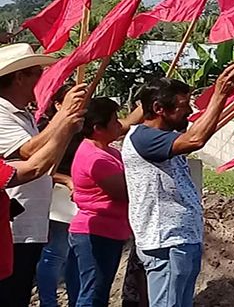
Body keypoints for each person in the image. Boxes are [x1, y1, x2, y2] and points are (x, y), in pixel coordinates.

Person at [121, 65, 234, 307]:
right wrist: (219, 96)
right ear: (158, 109)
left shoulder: (163, 137)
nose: (190, 112)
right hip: (167, 242)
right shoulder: (144, 138)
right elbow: (195, 139)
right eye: (184, 107)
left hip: (180, 240)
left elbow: (194, 135)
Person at [0, 43, 87, 307]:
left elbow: (43, 160)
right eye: (37, 72)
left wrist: (66, 126)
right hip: (13, 227)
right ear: (19, 77)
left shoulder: (23, 113)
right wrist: (64, 118)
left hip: (29, 222)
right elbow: (28, 155)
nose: (42, 79)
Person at [69, 97, 142, 307]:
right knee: (93, 295)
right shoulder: (96, 158)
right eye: (114, 121)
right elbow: (125, 192)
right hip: (97, 233)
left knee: (96, 291)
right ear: (97, 128)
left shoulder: (106, 151)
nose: (119, 125)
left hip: (108, 231)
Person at [0, 103, 83, 280]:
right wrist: (64, 125)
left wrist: (65, 129)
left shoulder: (24, 115)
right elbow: (33, 167)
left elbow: (42, 168)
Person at [36, 83, 84, 307]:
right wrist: (66, 180)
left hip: (79, 199)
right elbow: (37, 166)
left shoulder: (83, 128)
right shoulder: (46, 129)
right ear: (57, 105)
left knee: (75, 255)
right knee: (56, 252)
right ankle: (48, 302)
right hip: (57, 199)